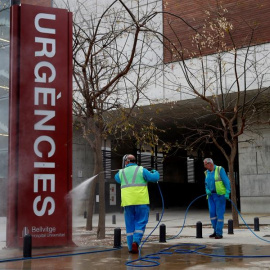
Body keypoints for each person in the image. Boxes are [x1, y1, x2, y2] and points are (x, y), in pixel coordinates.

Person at [114, 154, 160, 254]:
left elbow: (117, 179)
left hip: (127, 203)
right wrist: (155, 171)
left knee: (130, 225)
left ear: (126, 162)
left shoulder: (121, 172)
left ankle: (131, 247)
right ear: (135, 161)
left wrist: (123, 170)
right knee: (140, 222)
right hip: (141, 201)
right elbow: (154, 178)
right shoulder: (141, 170)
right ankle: (136, 240)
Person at [204, 158, 231, 239]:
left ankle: (219, 233)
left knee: (219, 214)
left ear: (210, 164)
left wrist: (227, 192)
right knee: (212, 214)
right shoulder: (206, 172)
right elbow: (206, 184)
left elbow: (226, 181)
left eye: (205, 164)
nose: (205, 166)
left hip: (220, 196)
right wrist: (207, 190)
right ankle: (215, 231)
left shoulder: (220, 170)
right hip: (211, 196)